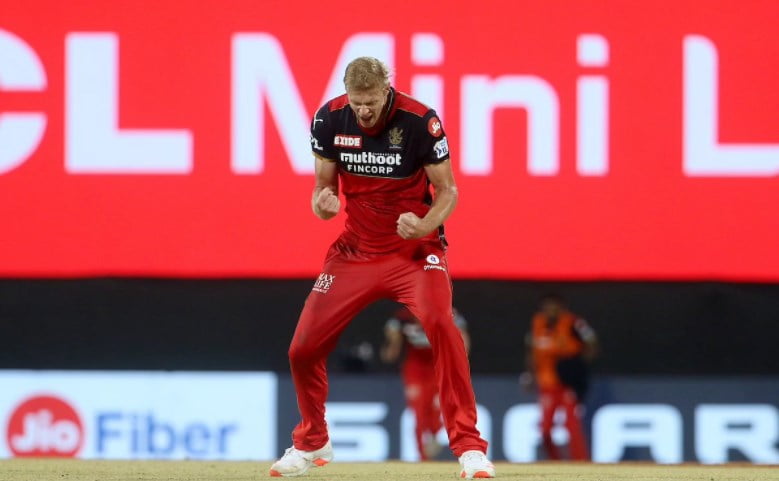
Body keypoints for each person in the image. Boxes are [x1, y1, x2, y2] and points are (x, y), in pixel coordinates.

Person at [269, 57, 494, 479]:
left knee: (442, 327)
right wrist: (322, 204)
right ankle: (313, 441)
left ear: (386, 91)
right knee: (302, 348)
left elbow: (448, 190)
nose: (364, 111)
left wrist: (425, 224)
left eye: (371, 102)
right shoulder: (329, 119)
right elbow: (322, 190)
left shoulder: (420, 121)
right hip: (355, 251)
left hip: (414, 252)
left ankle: (469, 448)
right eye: (357, 102)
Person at [381, 305, 471, 461]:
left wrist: (459, 362)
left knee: (437, 407)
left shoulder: (448, 313)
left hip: (439, 364)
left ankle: (435, 433)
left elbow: (463, 339)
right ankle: (422, 456)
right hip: (415, 367)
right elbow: (393, 342)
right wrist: (392, 347)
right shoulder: (402, 318)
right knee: (418, 410)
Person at [521, 294, 598, 461]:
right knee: (545, 429)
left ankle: (581, 462)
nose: (551, 312)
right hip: (547, 383)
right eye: (547, 308)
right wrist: (529, 374)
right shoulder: (537, 324)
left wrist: (579, 368)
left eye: (554, 308)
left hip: (567, 384)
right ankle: (554, 461)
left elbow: (591, 342)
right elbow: (531, 351)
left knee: (572, 425)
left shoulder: (573, 323)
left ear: (562, 308)